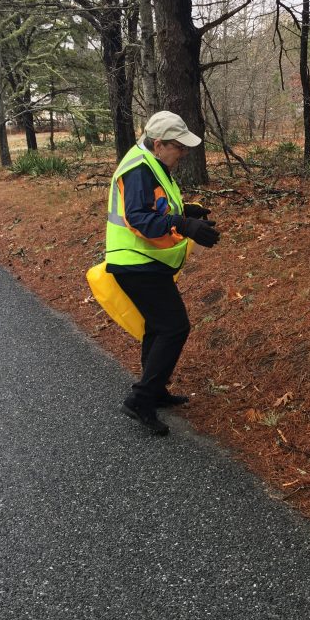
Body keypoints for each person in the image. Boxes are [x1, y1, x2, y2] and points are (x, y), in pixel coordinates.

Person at [105, 110, 220, 436]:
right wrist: (185, 225)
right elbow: (139, 219)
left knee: (158, 327)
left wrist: (188, 214)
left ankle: (153, 390)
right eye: (178, 147)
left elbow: (157, 209)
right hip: (134, 263)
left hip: (142, 262)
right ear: (159, 144)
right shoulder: (140, 169)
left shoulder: (151, 164)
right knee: (174, 327)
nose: (183, 153)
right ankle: (140, 399)